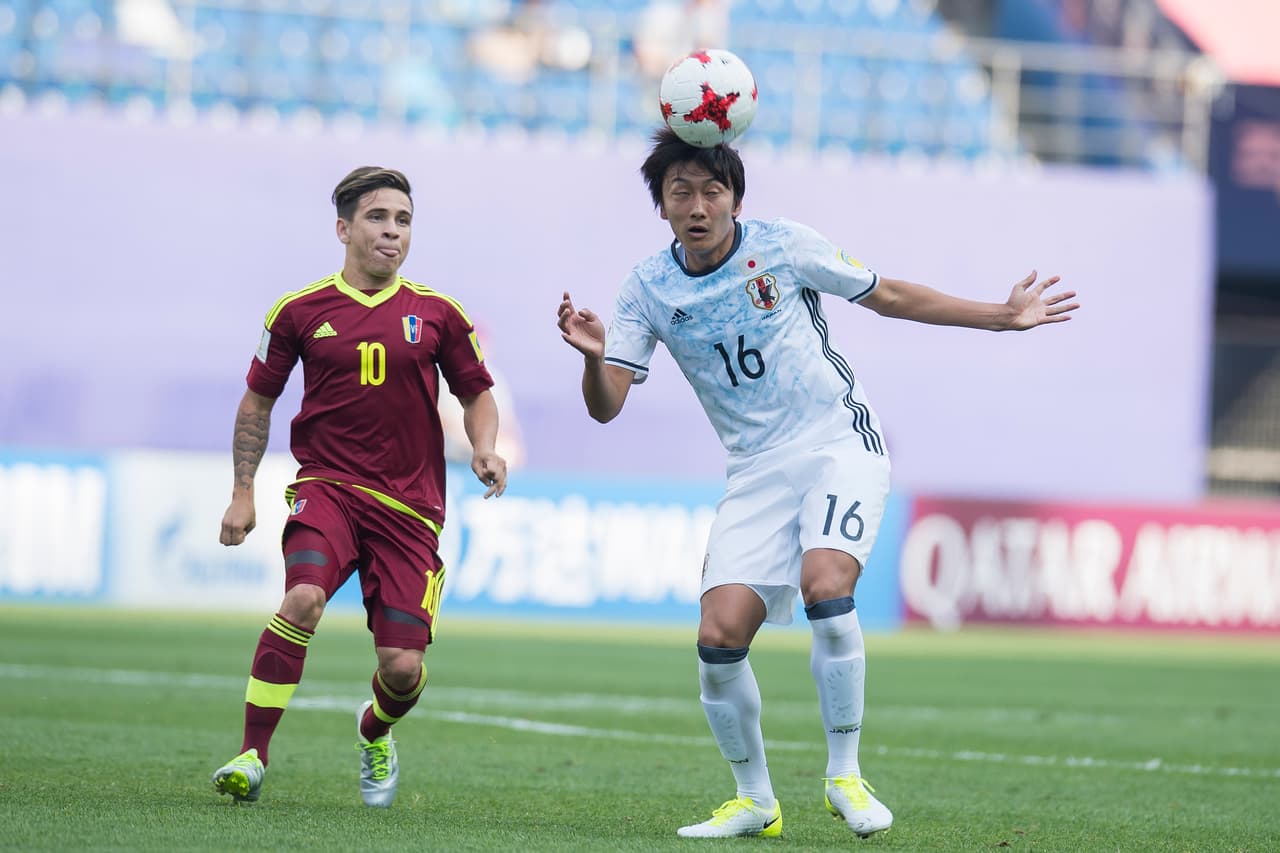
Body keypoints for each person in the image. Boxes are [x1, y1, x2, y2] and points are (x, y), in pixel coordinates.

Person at [556, 128, 1077, 839]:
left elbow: (889, 295)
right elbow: (607, 404)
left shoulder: (783, 245)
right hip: (755, 469)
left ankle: (845, 774)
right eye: (682, 192)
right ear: (662, 207)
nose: (699, 204)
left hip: (836, 440)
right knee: (717, 637)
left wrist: (1002, 316)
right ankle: (755, 801)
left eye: (713, 190)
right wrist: (593, 358)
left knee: (826, 582)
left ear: (736, 197)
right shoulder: (646, 287)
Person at [212, 166, 508, 807]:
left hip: (411, 509)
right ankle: (251, 755)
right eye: (378, 218)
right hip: (329, 488)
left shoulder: (437, 315)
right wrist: (244, 492)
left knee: (402, 669)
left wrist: (484, 446)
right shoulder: (298, 312)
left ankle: (374, 732)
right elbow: (257, 404)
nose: (393, 232)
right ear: (344, 228)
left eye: (403, 220)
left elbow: (476, 394)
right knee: (304, 598)